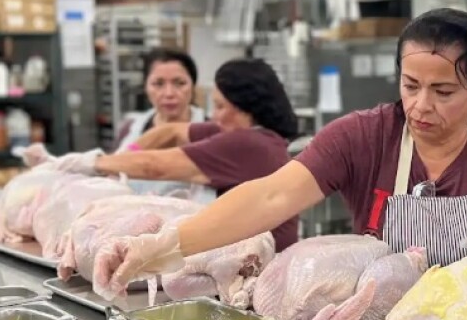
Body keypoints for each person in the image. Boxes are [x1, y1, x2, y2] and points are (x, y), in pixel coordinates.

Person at [90, 8, 467, 298]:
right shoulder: (363, 136)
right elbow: (269, 198)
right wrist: (163, 245)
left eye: (444, 90)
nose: (421, 105)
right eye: (410, 86)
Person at [31, 58, 301, 251]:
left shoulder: (249, 144)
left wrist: (91, 162)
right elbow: (170, 132)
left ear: (246, 107)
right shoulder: (242, 132)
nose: (215, 115)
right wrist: (127, 153)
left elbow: (156, 166)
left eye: (220, 106)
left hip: (261, 263)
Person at [114, 48, 204, 152]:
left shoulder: (212, 131)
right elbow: (122, 159)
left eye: (179, 83)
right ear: (145, 86)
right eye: (158, 84)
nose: (169, 94)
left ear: (193, 86)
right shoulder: (135, 129)